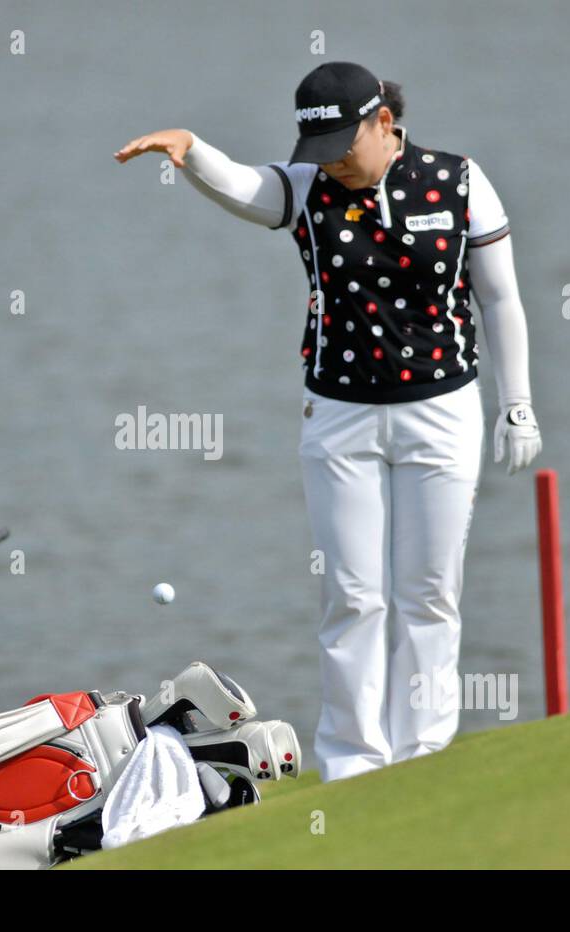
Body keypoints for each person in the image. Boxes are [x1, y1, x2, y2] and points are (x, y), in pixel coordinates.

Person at [115, 62, 543, 782]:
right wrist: (188, 147)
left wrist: (518, 404)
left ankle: (423, 755)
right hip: (338, 416)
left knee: (429, 592)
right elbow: (247, 187)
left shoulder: (460, 180)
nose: (335, 163)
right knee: (352, 595)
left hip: (442, 412)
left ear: (385, 123)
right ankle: (352, 764)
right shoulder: (310, 186)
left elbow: (500, 300)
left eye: (346, 145)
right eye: (322, 150)